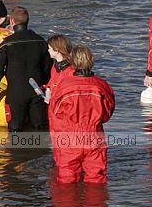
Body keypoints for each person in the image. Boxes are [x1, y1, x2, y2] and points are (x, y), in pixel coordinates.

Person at [48, 45, 115, 183]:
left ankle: (68, 203)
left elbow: (55, 114)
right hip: (94, 135)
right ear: (91, 60)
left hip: (70, 137)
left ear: (73, 61)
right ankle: (96, 204)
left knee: (67, 180)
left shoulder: (64, 86)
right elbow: (108, 113)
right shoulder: (102, 85)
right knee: (97, 179)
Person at [0, 6, 52, 131]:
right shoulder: (41, 42)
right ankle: (42, 150)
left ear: (12, 21)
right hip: (37, 91)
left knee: (15, 130)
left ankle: (19, 150)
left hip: (16, 93)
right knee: (40, 129)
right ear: (27, 21)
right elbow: (47, 68)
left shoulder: (6, 44)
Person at [45, 34, 75, 103]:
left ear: (57, 50)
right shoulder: (55, 67)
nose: (48, 50)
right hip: (52, 103)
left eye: (49, 48)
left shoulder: (71, 71)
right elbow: (51, 84)